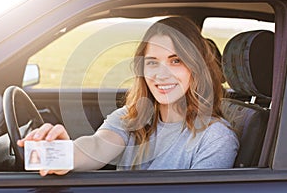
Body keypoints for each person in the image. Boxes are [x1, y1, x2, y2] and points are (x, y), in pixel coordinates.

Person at [17, 17, 239, 176]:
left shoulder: (216, 138)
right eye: (152, 62)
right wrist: (64, 153)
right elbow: (96, 146)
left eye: (176, 61)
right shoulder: (131, 117)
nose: (161, 74)